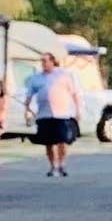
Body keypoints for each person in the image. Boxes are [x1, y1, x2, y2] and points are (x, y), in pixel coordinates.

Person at [27, 49, 82, 177]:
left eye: (46, 61)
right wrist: (27, 107)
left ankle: (62, 163)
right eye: (42, 61)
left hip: (61, 114)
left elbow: (74, 93)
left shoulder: (63, 75)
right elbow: (29, 94)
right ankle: (53, 166)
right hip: (44, 114)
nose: (44, 63)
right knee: (49, 142)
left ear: (52, 62)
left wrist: (78, 110)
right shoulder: (37, 78)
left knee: (62, 140)